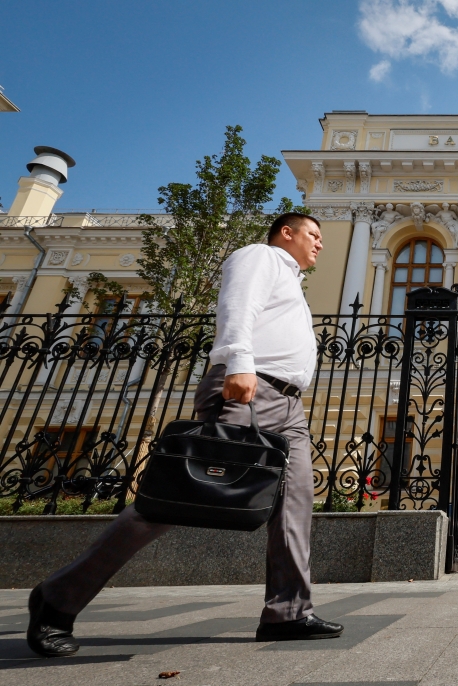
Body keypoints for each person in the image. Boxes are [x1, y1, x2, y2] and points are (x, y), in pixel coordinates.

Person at [27, 212, 343, 658]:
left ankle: (288, 612)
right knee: (177, 498)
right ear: (285, 233)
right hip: (252, 389)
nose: (320, 244)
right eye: (314, 234)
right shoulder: (261, 257)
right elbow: (238, 305)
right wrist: (238, 361)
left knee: (295, 504)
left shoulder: (291, 280)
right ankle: (57, 599)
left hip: (288, 405)